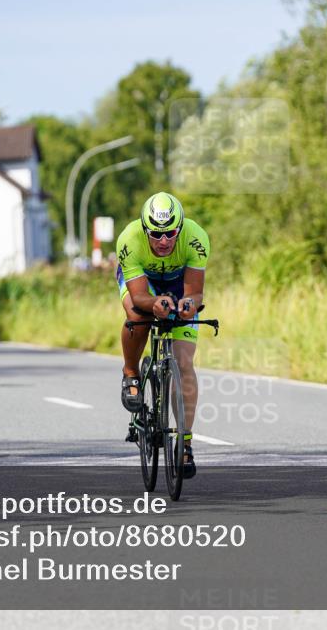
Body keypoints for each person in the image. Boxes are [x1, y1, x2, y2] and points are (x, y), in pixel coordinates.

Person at [116, 192, 209, 478]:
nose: (164, 240)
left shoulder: (196, 238)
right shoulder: (129, 239)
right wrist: (155, 305)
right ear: (145, 229)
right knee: (137, 315)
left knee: (183, 364)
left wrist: (187, 305)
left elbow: (194, 292)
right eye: (156, 234)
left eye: (170, 233)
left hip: (179, 284)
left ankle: (184, 443)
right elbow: (140, 296)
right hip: (142, 283)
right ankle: (131, 372)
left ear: (180, 228)